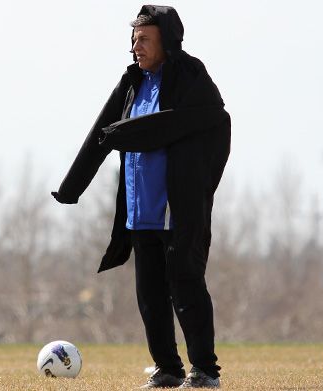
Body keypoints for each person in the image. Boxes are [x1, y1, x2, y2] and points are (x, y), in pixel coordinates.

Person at [51, 5, 230, 389]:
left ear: (167, 40)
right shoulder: (132, 82)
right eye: (133, 39)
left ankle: (205, 371)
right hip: (139, 211)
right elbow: (103, 132)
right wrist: (71, 187)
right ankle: (167, 369)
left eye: (145, 39)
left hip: (176, 210)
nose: (136, 47)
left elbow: (213, 120)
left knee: (186, 287)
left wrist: (198, 188)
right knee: (149, 297)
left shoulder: (189, 76)